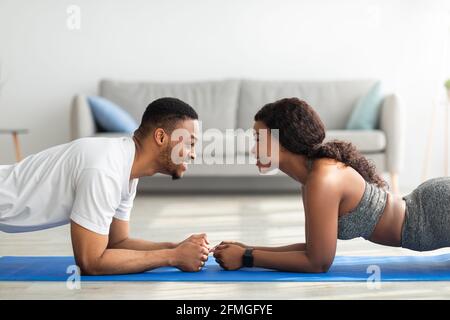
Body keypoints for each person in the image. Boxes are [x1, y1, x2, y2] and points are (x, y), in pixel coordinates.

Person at [213, 97, 450, 273]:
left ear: (282, 142)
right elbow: (314, 248)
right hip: (428, 209)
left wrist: (247, 257)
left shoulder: (322, 178)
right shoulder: (313, 175)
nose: (253, 149)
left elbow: (318, 262)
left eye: (258, 139)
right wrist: (248, 248)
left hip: (433, 215)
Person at [0, 97, 209, 275]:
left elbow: (117, 242)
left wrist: (177, 247)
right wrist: (172, 257)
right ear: (161, 137)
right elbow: (91, 262)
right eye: (189, 143)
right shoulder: (105, 168)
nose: (193, 153)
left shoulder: (126, 168)